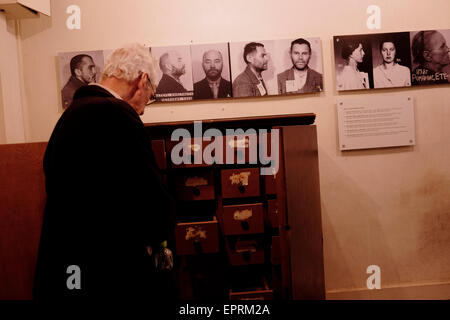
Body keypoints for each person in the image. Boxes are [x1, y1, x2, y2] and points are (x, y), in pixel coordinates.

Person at [33, 43, 174, 300]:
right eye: (151, 94)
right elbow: (152, 197)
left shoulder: (70, 116)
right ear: (142, 81)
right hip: (108, 273)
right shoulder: (117, 114)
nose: (144, 108)